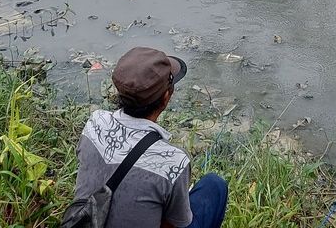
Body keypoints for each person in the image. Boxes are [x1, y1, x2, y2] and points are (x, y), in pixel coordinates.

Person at [71, 47, 228, 228]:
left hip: (85, 220)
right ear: (166, 97)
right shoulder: (173, 161)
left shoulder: (94, 122)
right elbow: (176, 223)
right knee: (214, 185)